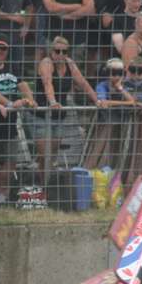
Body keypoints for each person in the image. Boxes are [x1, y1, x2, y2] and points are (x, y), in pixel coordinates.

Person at [33, 35, 100, 180]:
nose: (61, 55)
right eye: (57, 51)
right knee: (45, 153)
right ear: (51, 51)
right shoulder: (46, 63)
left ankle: (44, 182)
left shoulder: (69, 63)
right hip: (41, 114)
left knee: (52, 153)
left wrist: (97, 100)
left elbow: (83, 83)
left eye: (64, 51)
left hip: (59, 115)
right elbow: (48, 84)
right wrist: (52, 102)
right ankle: (43, 182)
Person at [0, 39, 36, 204]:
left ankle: (2, 193)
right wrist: (10, 104)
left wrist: (30, 100)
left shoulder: (13, 67)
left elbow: (23, 85)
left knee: (10, 160)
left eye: (3, 48)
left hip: (10, 122)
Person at [85, 57, 141, 175]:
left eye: (120, 73)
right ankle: (89, 174)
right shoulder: (102, 85)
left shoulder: (124, 85)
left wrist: (120, 88)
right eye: (113, 73)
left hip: (120, 123)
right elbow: (103, 102)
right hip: (104, 123)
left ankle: (112, 177)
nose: (116, 76)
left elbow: (133, 102)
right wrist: (126, 103)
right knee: (98, 150)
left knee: (116, 152)